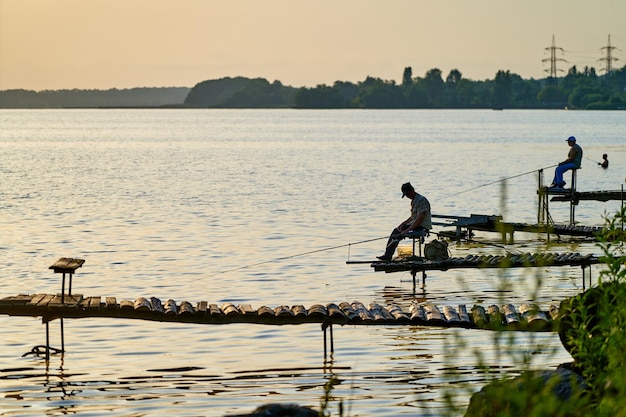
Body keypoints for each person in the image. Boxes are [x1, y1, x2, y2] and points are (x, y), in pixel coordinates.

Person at [378, 182, 432, 261]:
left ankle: (387, 256)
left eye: (408, 194)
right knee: (396, 230)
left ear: (412, 190)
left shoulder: (421, 200)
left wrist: (407, 230)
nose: (407, 196)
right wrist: (403, 224)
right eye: (406, 195)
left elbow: (419, 220)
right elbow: (413, 217)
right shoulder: (414, 200)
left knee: (397, 233)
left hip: (422, 226)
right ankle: (387, 254)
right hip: (415, 224)